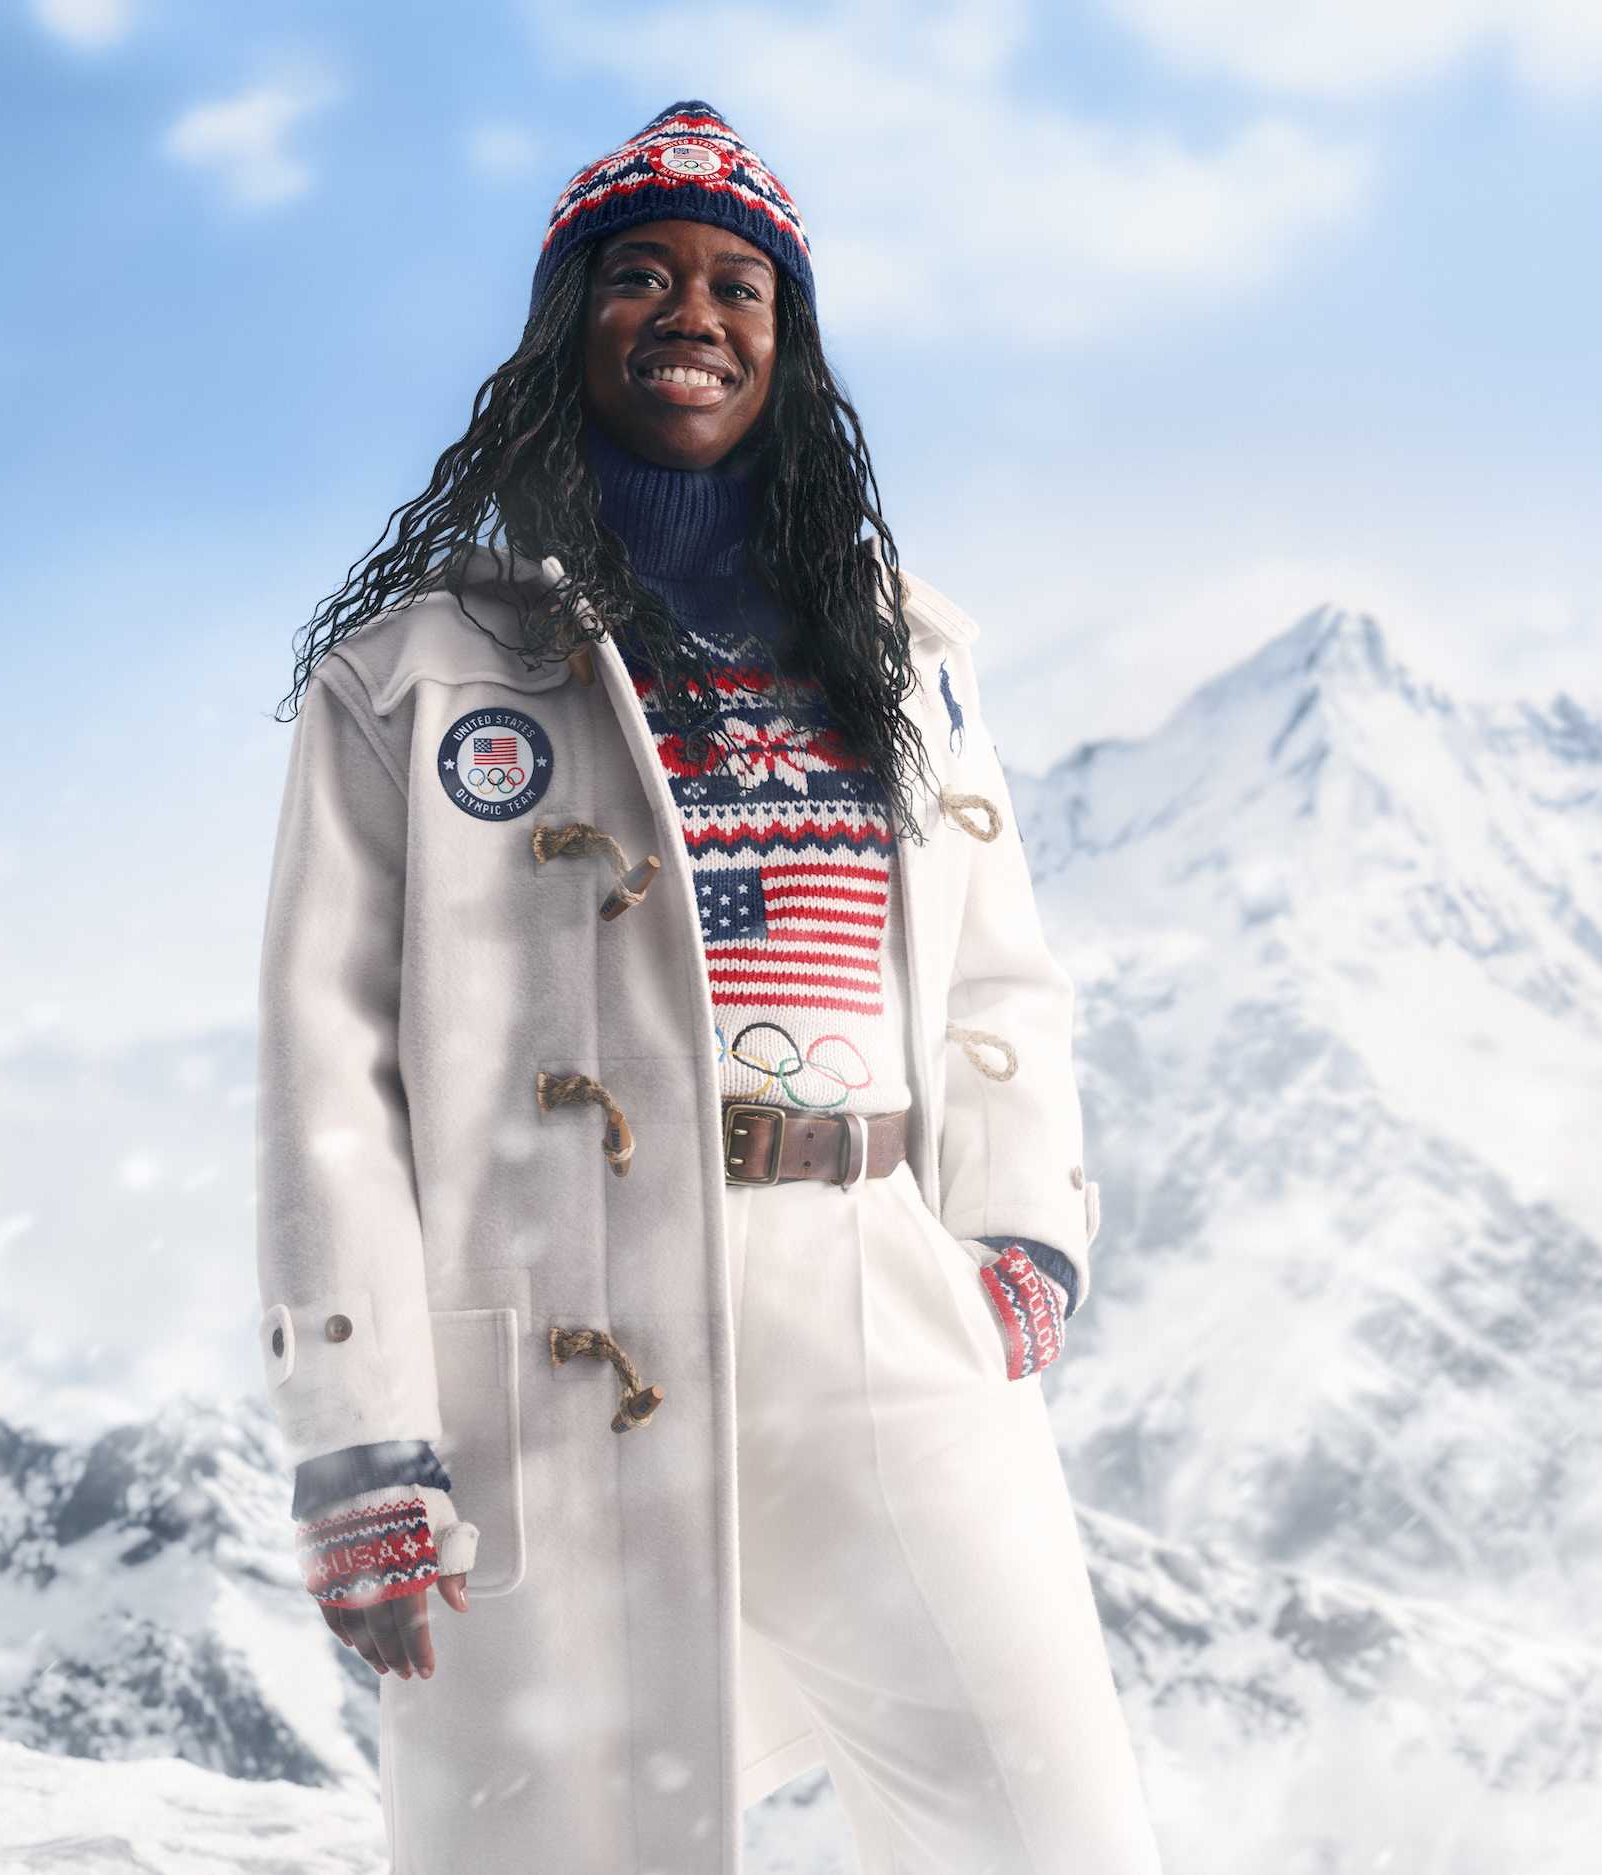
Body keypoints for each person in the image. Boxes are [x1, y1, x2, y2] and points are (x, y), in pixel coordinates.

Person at [255, 98, 1163, 1875]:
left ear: (787, 342)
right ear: (565, 326)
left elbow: (999, 967)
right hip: (558, 1328)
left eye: (742, 283)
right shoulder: (414, 681)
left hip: (879, 1288)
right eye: (644, 276)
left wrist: (1025, 1237)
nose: (697, 311)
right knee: (567, 1847)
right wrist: (360, 1440)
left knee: (1056, 1836)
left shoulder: (897, 653)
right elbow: (328, 1072)